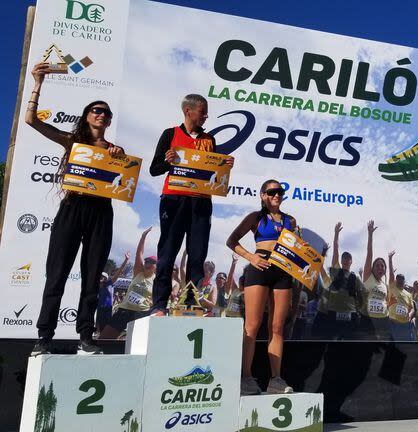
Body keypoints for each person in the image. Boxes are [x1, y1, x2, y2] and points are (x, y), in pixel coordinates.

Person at [26, 62, 125, 355]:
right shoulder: (73, 142)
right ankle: (44, 337)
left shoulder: (113, 150)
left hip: (101, 212)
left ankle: (85, 336)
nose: (102, 115)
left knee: (92, 278)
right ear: (86, 116)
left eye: (107, 112)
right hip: (72, 207)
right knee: (56, 274)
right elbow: (32, 120)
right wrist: (37, 83)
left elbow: (123, 182)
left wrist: (117, 158)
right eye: (97, 110)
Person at [148, 94, 233, 315]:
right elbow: (154, 169)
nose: (206, 116)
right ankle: (159, 305)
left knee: (197, 256)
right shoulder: (170, 134)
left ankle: (189, 304)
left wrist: (225, 166)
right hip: (174, 200)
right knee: (167, 253)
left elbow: (211, 170)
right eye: (202, 111)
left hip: (201, 203)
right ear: (188, 111)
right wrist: (167, 161)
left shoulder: (209, 139)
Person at [227, 179, 296, 395]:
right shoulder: (255, 218)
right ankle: (245, 377)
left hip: (283, 272)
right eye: (272, 191)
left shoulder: (291, 221)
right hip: (259, 269)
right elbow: (232, 240)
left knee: (276, 328)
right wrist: (251, 257)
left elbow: (297, 251)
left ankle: (275, 380)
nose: (277, 195)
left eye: (280, 191)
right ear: (263, 195)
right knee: (252, 326)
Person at [99, 228, 157, 339]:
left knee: (136, 344)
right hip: (124, 310)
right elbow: (139, 253)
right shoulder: (138, 273)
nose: (148, 263)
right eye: (147, 261)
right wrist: (143, 236)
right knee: (104, 339)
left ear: (156, 266)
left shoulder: (156, 280)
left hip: (141, 313)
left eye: (152, 262)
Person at [313, 223, 361, 340]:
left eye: (348, 258)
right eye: (344, 258)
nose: (346, 260)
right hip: (333, 313)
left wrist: (358, 310)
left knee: (349, 343)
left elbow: (360, 296)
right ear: (341, 260)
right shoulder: (336, 271)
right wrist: (336, 234)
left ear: (351, 261)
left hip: (350, 314)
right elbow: (335, 250)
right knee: (332, 342)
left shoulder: (355, 278)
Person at [96, 253, 129, 332]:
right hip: (99, 308)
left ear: (106, 278)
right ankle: (98, 337)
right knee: (98, 326)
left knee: (106, 326)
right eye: (100, 276)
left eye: (103, 277)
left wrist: (126, 260)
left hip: (108, 309)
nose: (101, 277)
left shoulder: (110, 283)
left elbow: (119, 272)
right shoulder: (96, 286)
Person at [387, 252, 415, 341]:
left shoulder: (408, 294)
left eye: (401, 279)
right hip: (393, 323)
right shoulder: (392, 287)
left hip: (404, 324)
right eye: (398, 279)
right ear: (395, 280)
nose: (399, 281)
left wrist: (410, 315)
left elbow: (412, 308)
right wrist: (390, 259)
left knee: (404, 346)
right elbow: (391, 274)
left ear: (404, 281)